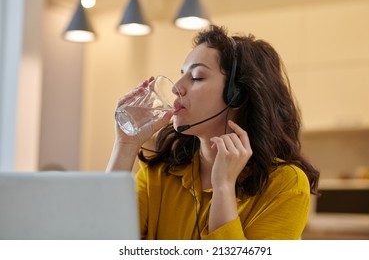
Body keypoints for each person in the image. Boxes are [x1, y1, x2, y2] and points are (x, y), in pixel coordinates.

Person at [106, 25, 320, 240]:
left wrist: (224, 188)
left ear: (237, 95)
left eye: (197, 77)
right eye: (182, 75)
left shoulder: (287, 184)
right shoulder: (160, 173)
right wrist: (125, 146)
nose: (176, 87)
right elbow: (101, 240)